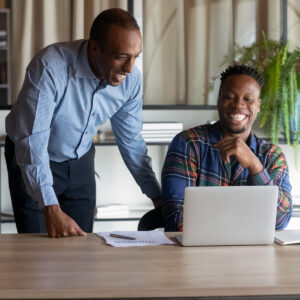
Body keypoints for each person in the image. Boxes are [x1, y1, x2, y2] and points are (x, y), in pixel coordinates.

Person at [5, 8, 161, 238]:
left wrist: (157, 197)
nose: (129, 69)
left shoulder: (131, 80)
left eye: (136, 56)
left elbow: (131, 142)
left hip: (81, 164)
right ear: (95, 48)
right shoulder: (50, 67)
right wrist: (50, 207)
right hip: (33, 159)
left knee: (80, 252)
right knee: (36, 254)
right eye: (121, 57)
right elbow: (32, 141)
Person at [161, 65, 292, 231]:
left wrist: (255, 166)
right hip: (197, 255)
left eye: (248, 99)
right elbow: (177, 221)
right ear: (218, 101)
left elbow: (280, 222)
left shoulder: (272, 156)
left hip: (254, 256)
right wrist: (242, 222)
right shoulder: (189, 144)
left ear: (258, 105)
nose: (238, 106)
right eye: (229, 97)